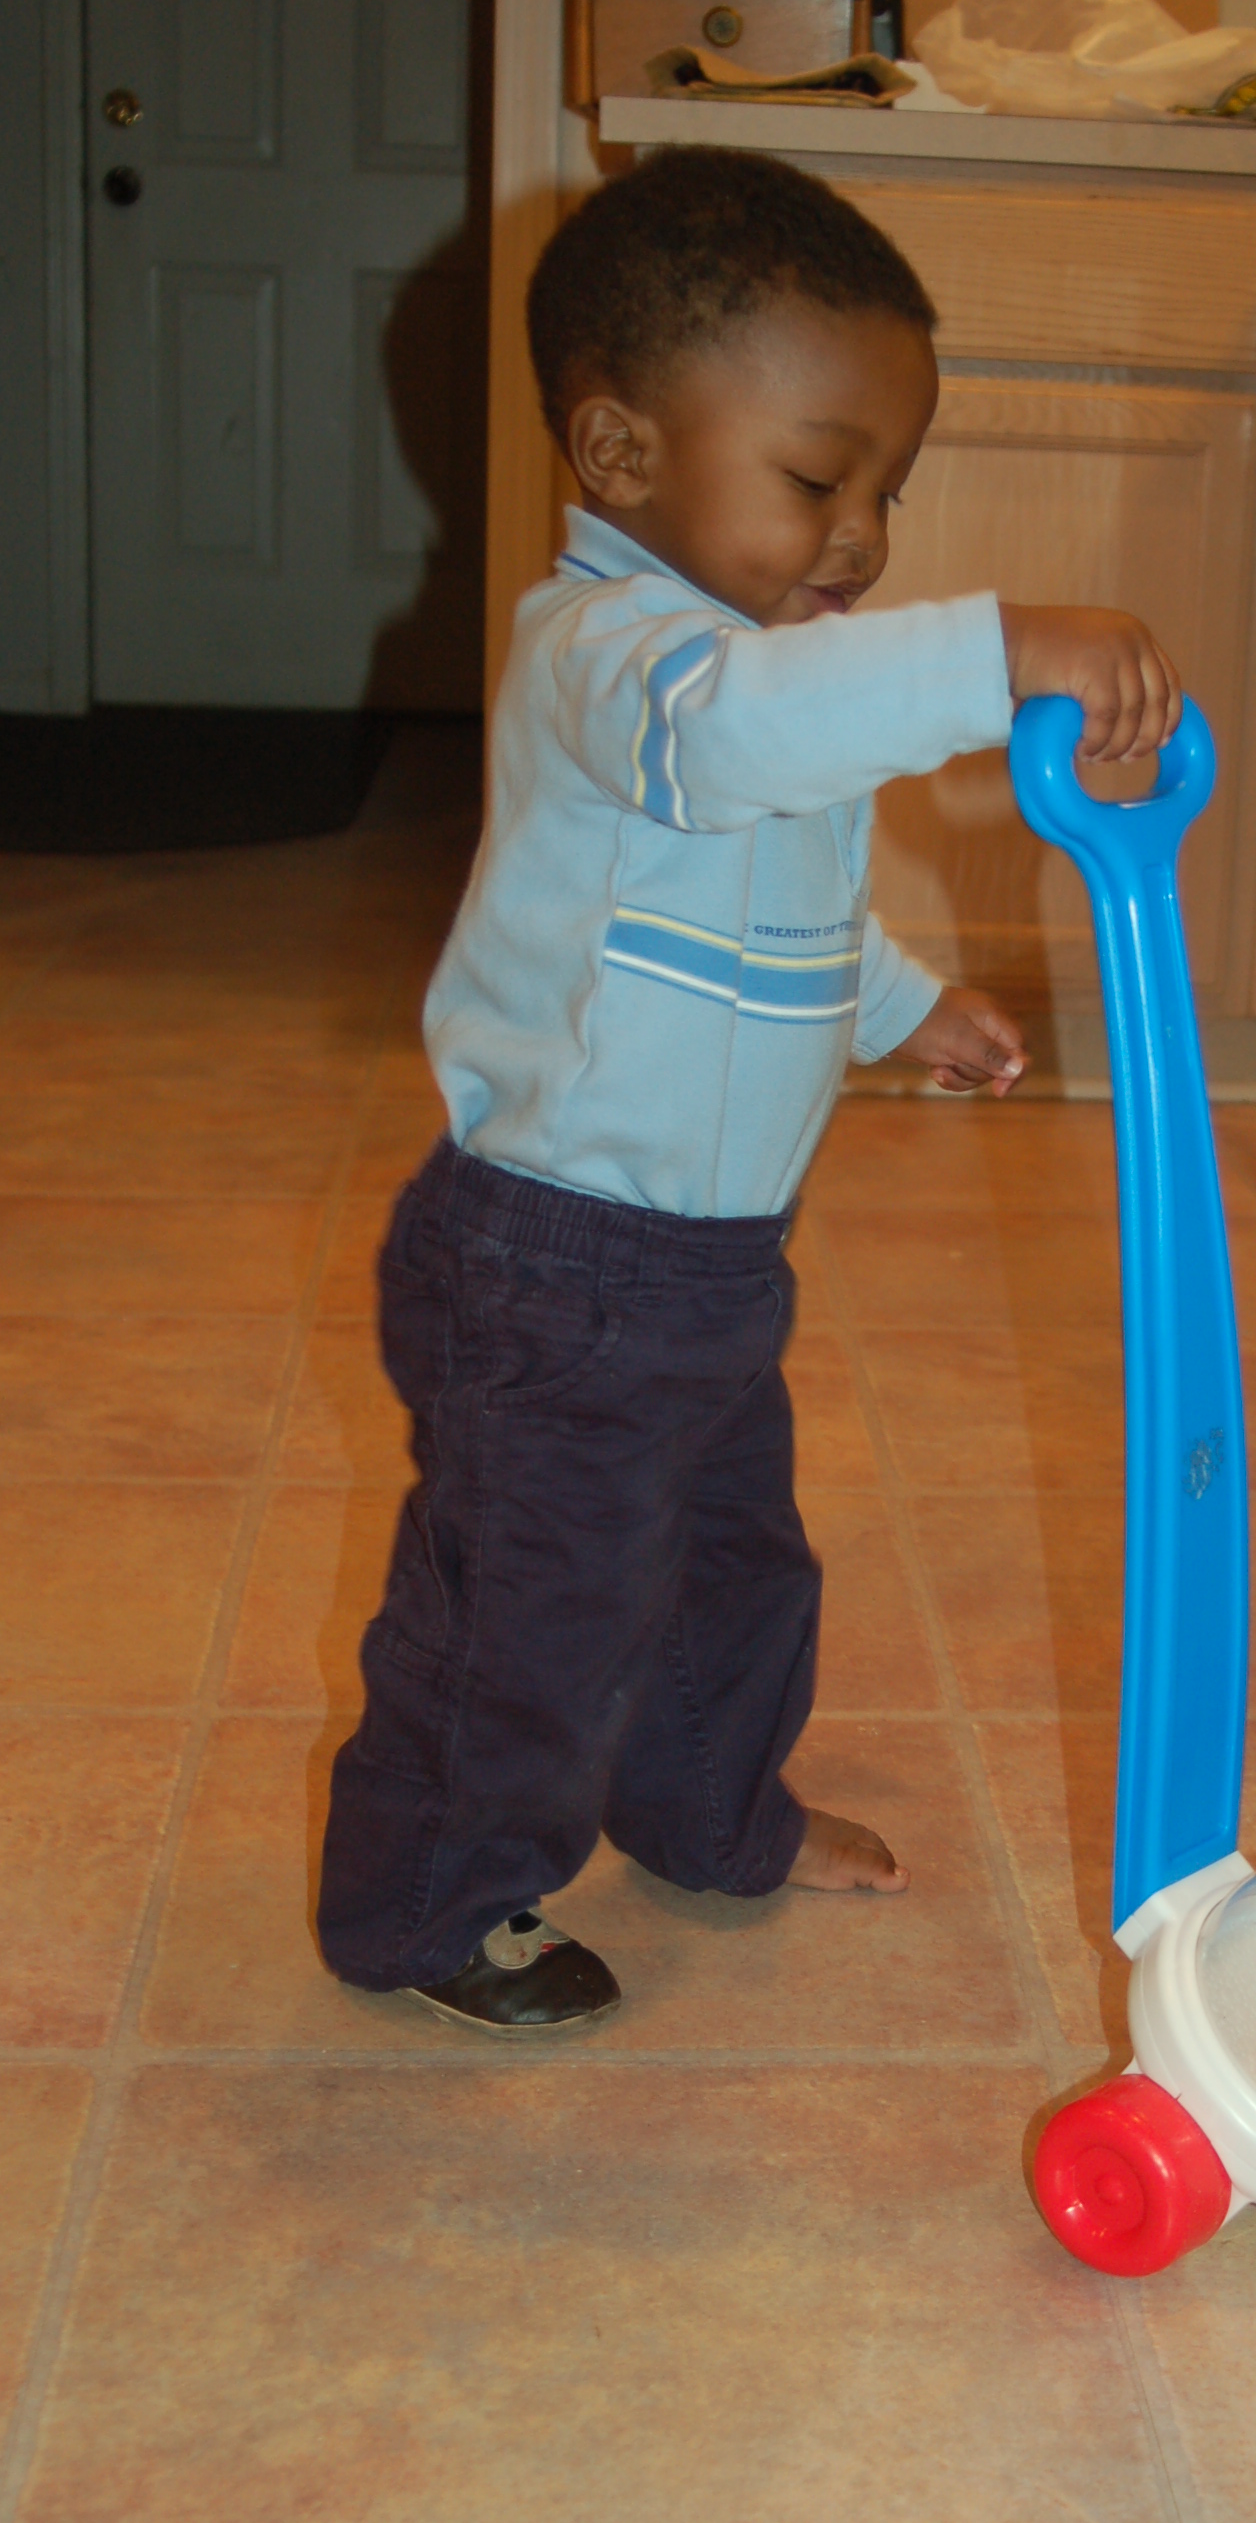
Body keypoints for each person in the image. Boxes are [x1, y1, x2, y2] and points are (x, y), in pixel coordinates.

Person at [314, 146, 1181, 2032]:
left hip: (703, 1268)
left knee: (728, 1566)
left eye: (888, 491)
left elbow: (777, 894)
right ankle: (427, 1906)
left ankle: (714, 1816)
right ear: (620, 453)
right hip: (551, 1265)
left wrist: (902, 1003)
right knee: (530, 1610)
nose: (861, 535)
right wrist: (995, 652)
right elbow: (736, 752)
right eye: (816, 480)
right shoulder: (615, 660)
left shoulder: (760, 669)